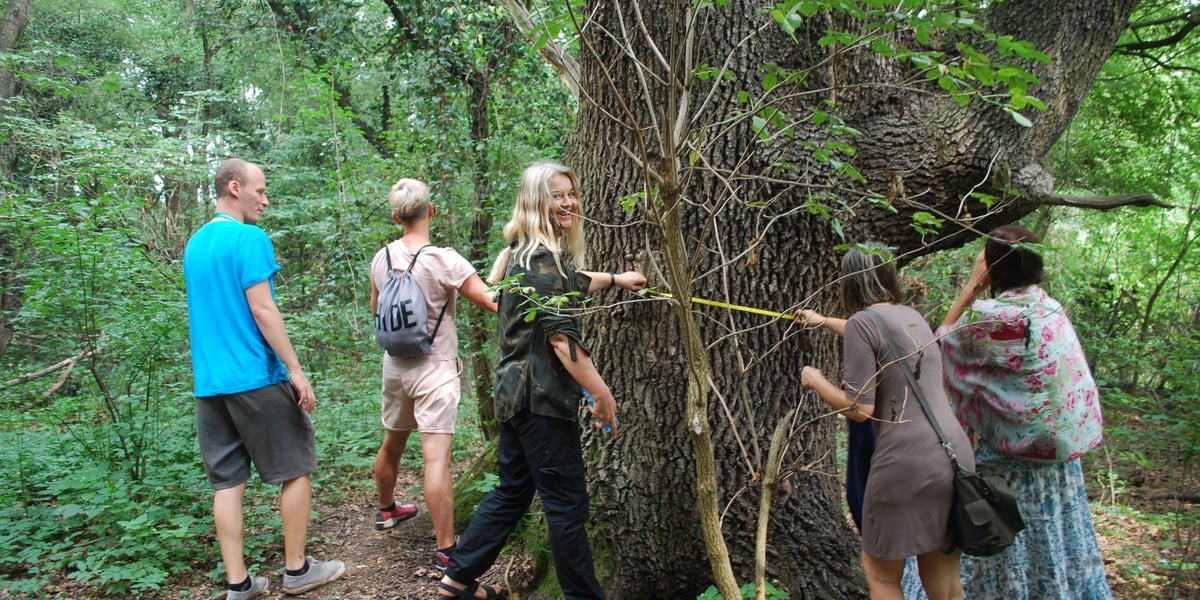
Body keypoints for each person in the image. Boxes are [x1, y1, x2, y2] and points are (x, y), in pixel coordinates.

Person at [435, 161, 646, 600]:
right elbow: (561, 339)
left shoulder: (524, 255)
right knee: (567, 507)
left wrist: (617, 279)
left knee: (513, 491)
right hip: (540, 402)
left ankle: (457, 579)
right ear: (536, 201)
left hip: (514, 398)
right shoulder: (539, 258)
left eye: (571, 192)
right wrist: (602, 394)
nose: (568, 202)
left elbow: (569, 283)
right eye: (557, 194)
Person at [183, 158, 345, 599]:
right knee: (296, 467)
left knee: (227, 481)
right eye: (260, 190)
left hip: (210, 386)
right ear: (234, 187)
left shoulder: (195, 244)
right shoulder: (248, 238)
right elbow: (262, 309)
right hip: (254, 375)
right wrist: (294, 369)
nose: (266, 200)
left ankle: (239, 585)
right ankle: (297, 570)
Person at [925, 225, 1108, 599]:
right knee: (1054, 547)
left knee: (1005, 559)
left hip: (1007, 470)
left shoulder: (989, 317)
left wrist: (972, 286)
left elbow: (937, 347)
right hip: (1059, 463)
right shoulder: (1049, 307)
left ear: (992, 267)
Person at [797, 243, 973, 600]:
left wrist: (815, 379)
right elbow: (878, 336)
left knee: (882, 576)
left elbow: (859, 409)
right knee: (943, 576)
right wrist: (823, 321)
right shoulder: (911, 317)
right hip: (952, 454)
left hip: (905, 465)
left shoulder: (864, 323)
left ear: (849, 282)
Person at [368, 178, 497, 570]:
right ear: (431, 212)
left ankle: (388, 510)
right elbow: (492, 302)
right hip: (435, 368)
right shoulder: (444, 260)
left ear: (395, 217)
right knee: (436, 460)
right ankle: (446, 548)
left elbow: (376, 310)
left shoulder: (381, 258)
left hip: (395, 366)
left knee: (392, 442)